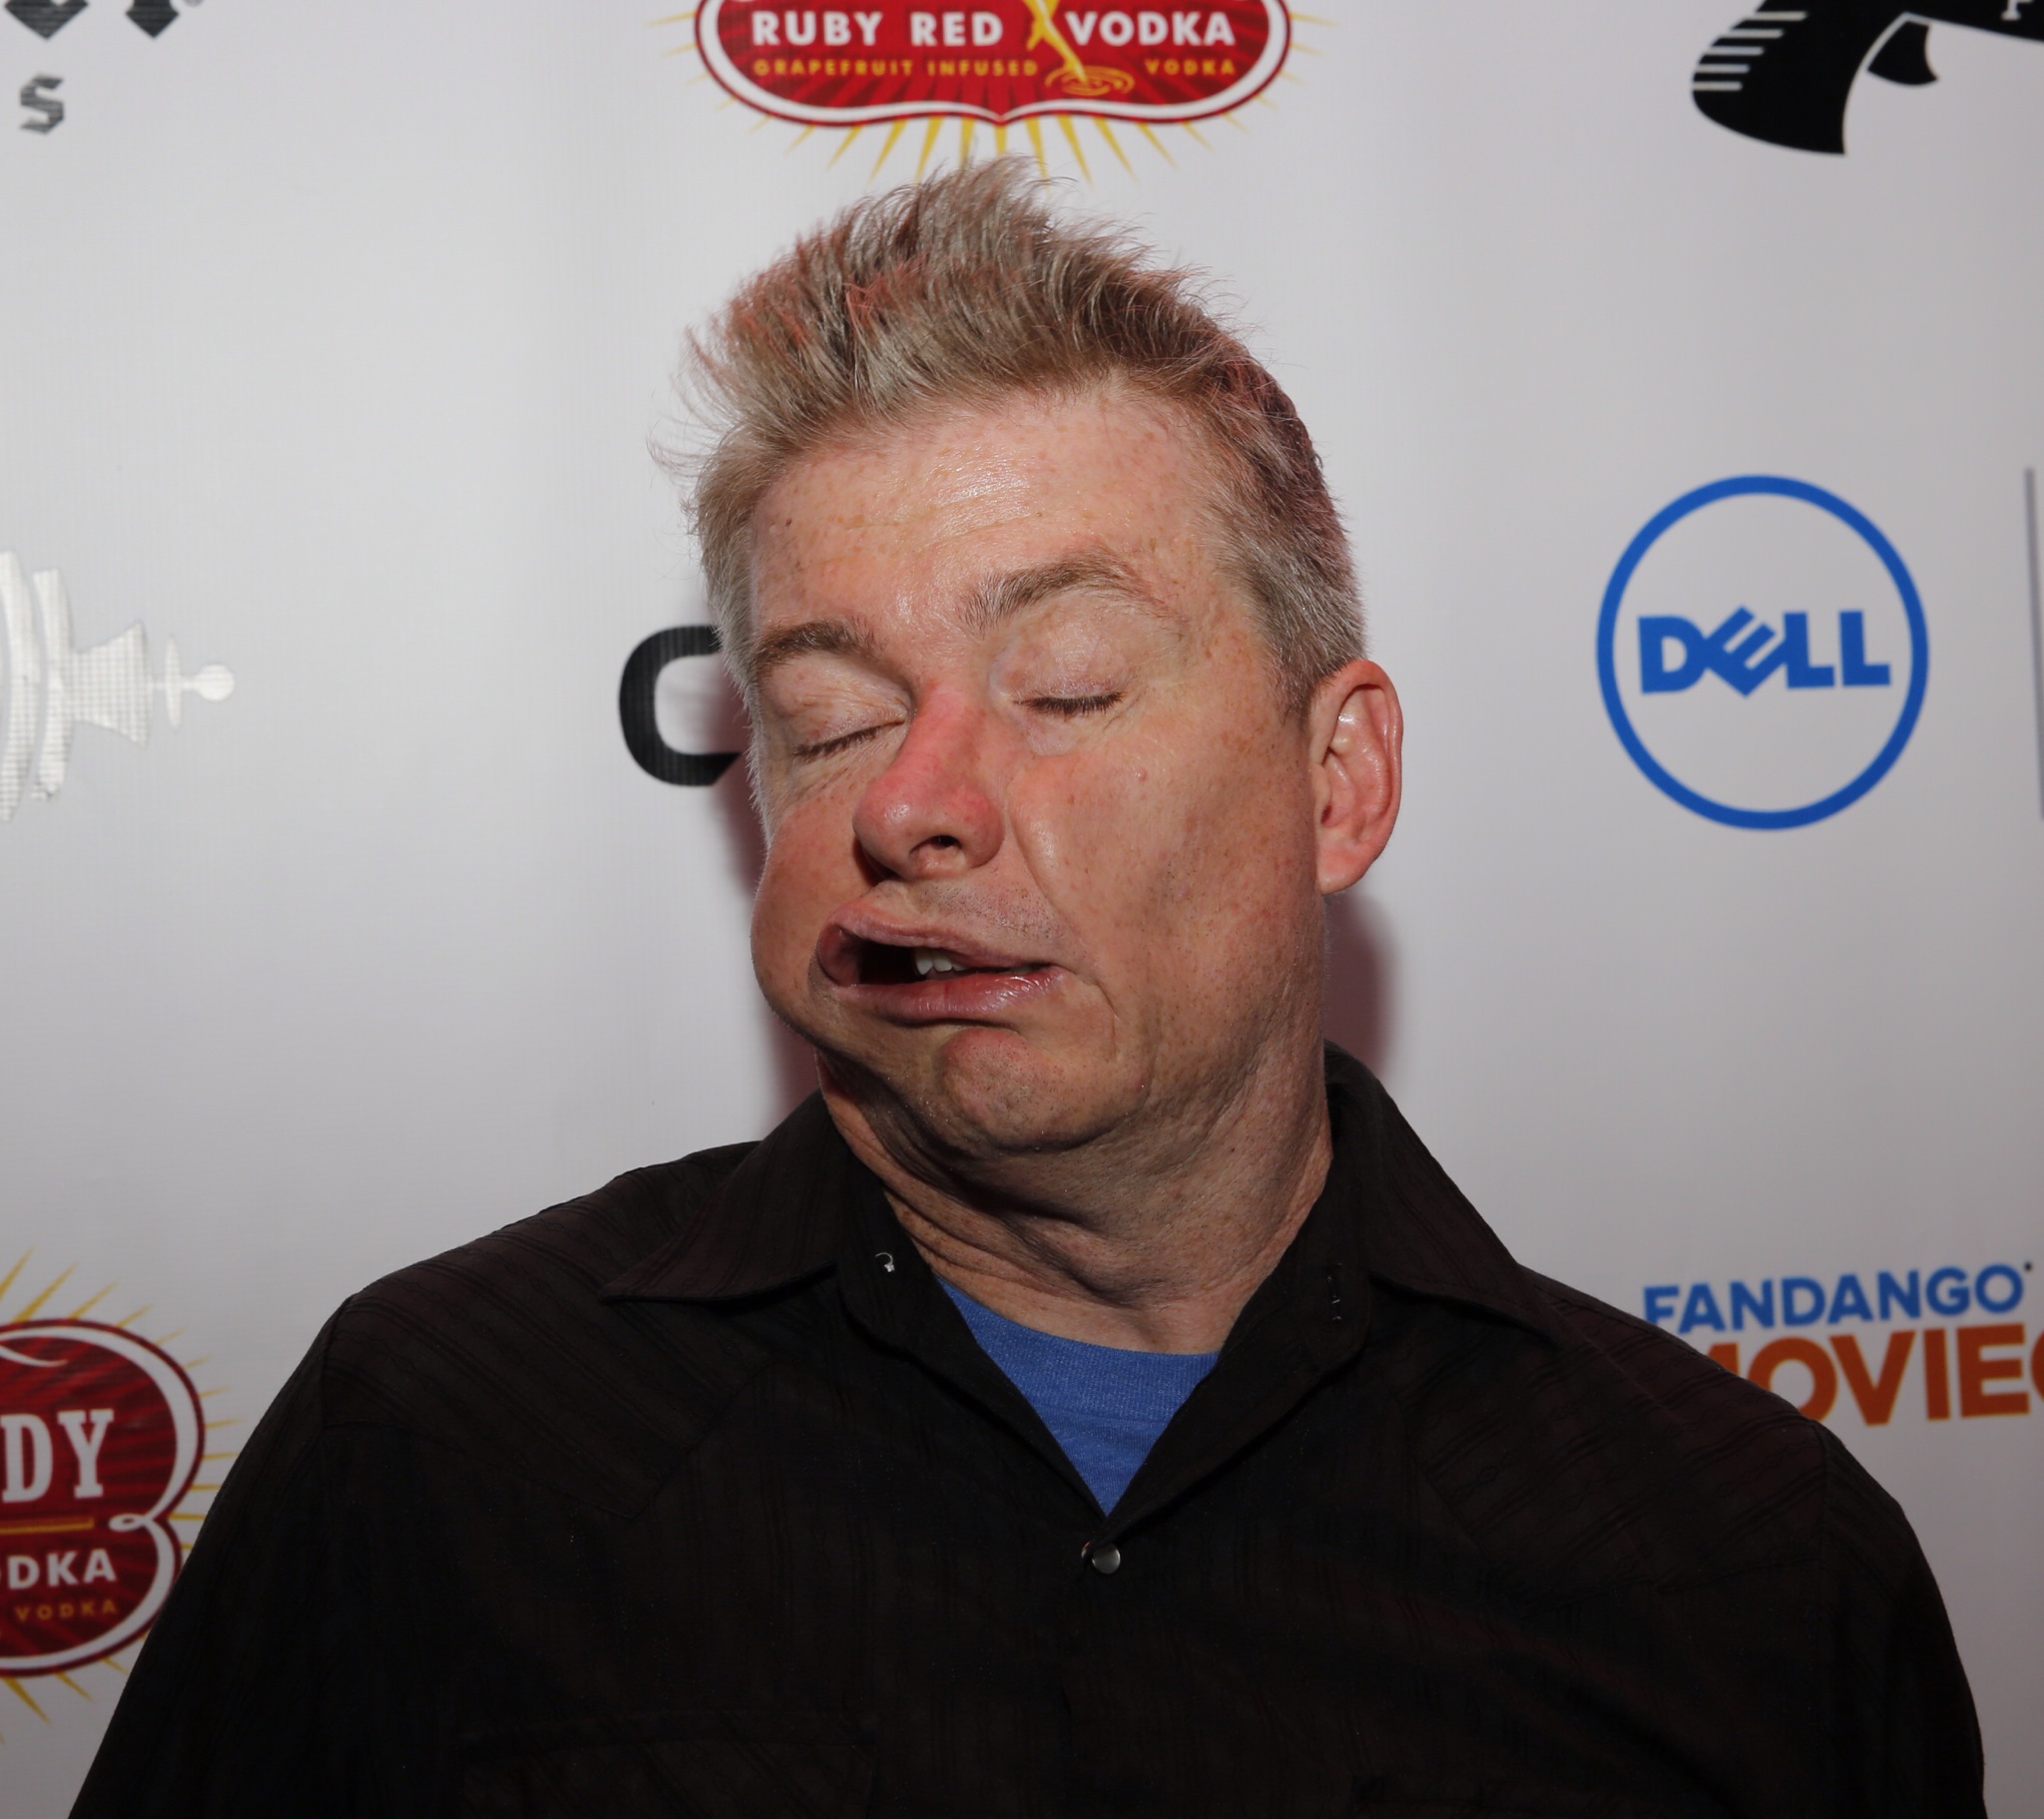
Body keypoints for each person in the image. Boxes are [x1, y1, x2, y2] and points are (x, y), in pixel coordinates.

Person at [73, 163, 1982, 1818]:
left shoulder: (1751, 1559)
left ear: (1338, 783)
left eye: (1065, 688)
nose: (909, 801)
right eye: (832, 719)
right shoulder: (443, 1441)